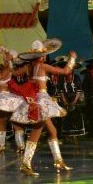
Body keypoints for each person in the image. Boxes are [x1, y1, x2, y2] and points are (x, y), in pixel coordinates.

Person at [9, 39, 77, 176]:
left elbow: (13, 72)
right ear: (41, 56)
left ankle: (58, 160)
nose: (45, 56)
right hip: (40, 100)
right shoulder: (43, 66)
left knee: (53, 131)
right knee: (37, 131)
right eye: (44, 54)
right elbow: (65, 71)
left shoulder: (28, 67)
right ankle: (25, 164)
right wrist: (72, 59)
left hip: (35, 99)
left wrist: (9, 61)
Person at [0, 47, 25, 153]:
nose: (4, 60)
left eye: (6, 58)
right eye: (4, 59)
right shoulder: (6, 68)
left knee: (15, 122)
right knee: (0, 121)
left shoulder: (10, 69)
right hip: (2, 97)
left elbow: (0, 77)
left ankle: (21, 146)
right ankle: (1, 146)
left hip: (8, 98)